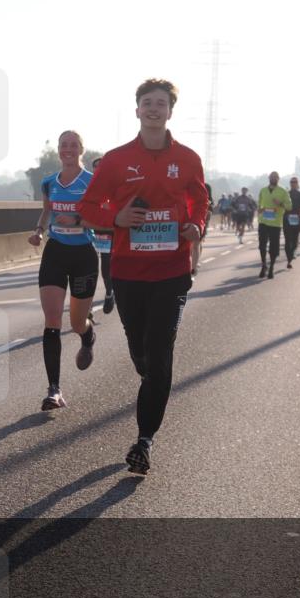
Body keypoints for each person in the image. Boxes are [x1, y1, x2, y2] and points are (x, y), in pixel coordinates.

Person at [77, 78, 209, 476]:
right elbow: (88, 206)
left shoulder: (187, 158)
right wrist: (115, 218)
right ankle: (149, 373)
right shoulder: (116, 160)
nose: (154, 109)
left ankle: (144, 441)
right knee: (142, 353)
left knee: (161, 354)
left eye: (161, 103)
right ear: (137, 110)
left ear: (170, 111)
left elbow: (200, 199)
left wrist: (196, 225)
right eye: (147, 103)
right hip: (128, 272)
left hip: (172, 272)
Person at [27, 131, 99, 411]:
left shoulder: (92, 182)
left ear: (81, 149)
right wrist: (38, 231)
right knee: (52, 319)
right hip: (55, 253)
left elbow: (104, 217)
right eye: (63, 145)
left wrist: (79, 220)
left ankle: (87, 335)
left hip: (84, 255)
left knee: (76, 323)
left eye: (73, 145)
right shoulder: (49, 182)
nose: (68, 150)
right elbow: (47, 211)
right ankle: (54, 389)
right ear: (58, 150)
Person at [90, 156, 115, 314]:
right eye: (96, 167)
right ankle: (88, 307)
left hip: (111, 232)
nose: (98, 169)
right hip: (93, 232)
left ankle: (110, 293)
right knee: (92, 269)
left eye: (101, 166)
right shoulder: (88, 185)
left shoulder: (115, 185)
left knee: (108, 267)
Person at [257, 171, 291, 279]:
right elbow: (259, 205)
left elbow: (289, 206)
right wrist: (260, 209)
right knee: (262, 245)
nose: (274, 178)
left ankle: (271, 267)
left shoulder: (283, 191)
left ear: (278, 179)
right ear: (269, 178)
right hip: (263, 221)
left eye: (276, 177)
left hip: (275, 223)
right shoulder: (263, 190)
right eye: (272, 177)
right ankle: (264, 265)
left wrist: (280, 204)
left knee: (274, 247)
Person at [283, 176, 300, 268]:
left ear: (297, 184)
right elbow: (282, 205)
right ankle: (289, 260)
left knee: (295, 238)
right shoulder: (286, 194)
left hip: (296, 218)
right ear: (290, 184)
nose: (293, 184)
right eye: (292, 182)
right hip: (287, 218)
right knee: (287, 239)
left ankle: (293, 252)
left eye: (295, 182)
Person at [191, 181, 213, 276]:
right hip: (188, 216)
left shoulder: (206, 186)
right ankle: (193, 263)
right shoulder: (188, 183)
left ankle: (194, 268)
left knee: (197, 243)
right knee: (193, 244)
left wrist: (208, 212)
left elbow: (210, 201)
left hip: (201, 217)